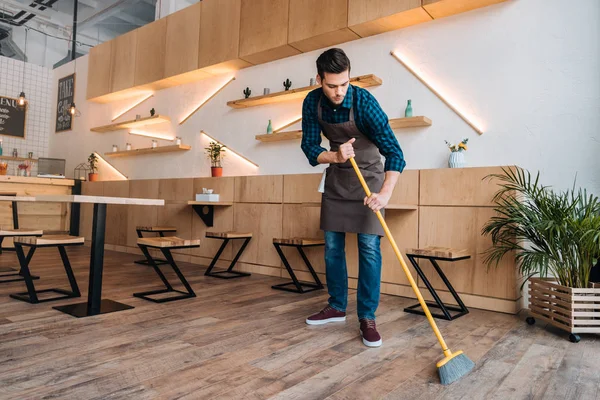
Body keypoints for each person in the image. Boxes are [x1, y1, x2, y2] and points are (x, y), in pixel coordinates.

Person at [301, 48, 406, 347]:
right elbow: (309, 147)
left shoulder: (364, 102)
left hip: (370, 178)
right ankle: (336, 306)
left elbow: (395, 153)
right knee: (332, 246)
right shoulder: (312, 102)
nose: (338, 92)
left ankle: (367, 316)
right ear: (320, 79)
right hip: (337, 176)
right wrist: (333, 155)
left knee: (369, 247)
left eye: (344, 84)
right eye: (332, 85)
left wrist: (384, 194)